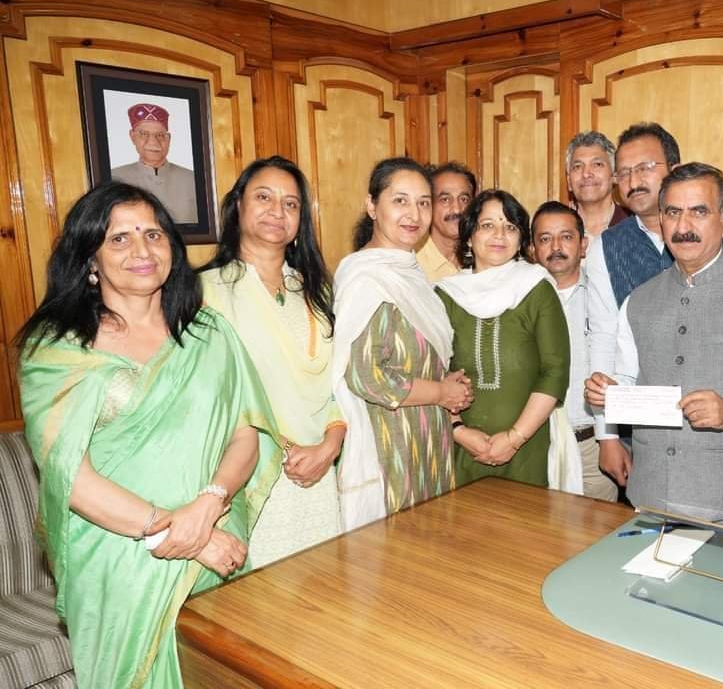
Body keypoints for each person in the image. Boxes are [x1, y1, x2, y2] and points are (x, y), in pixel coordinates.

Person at [17, 182, 280, 687]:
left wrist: (208, 504)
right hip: (121, 554)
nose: (142, 250)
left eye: (153, 234)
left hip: (216, 529)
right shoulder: (57, 350)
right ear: (90, 258)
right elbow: (71, 478)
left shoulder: (208, 333)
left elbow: (245, 433)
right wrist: (178, 534)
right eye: (119, 238)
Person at [585, 163, 723, 529]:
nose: (683, 226)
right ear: (662, 220)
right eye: (673, 212)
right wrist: (607, 393)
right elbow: (627, 379)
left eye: (699, 212)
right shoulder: (637, 301)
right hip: (648, 498)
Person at [586, 122, 723, 486]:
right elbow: (603, 337)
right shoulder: (605, 247)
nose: (634, 181)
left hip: (718, 434)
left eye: (645, 167)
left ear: (675, 169)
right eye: (624, 172)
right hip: (643, 433)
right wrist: (607, 435)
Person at [199, 156, 344, 567]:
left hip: (319, 468)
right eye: (264, 197)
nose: (277, 211)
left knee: (323, 586)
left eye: (290, 203)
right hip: (250, 471)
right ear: (238, 206)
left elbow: (338, 381)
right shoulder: (203, 292)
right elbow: (205, 396)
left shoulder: (316, 290)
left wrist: (330, 445)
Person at [333, 157, 473, 531]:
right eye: (400, 201)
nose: (414, 214)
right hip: (390, 444)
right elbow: (367, 376)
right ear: (371, 206)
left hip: (430, 439)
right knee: (399, 548)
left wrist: (446, 383)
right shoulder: (368, 278)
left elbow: (418, 354)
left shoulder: (409, 273)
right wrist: (441, 391)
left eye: (424, 202)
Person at [436, 189, 573, 488]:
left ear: (521, 239)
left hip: (528, 448)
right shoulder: (445, 295)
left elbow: (555, 371)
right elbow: (433, 373)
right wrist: (458, 430)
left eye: (510, 227)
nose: (499, 235)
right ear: (469, 236)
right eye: (487, 225)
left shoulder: (537, 288)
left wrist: (514, 438)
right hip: (461, 447)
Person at [531, 200, 616, 501]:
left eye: (566, 237)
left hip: (593, 448)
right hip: (536, 444)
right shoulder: (518, 301)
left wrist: (611, 439)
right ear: (532, 249)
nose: (556, 246)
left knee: (600, 530)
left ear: (583, 245)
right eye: (545, 238)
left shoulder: (606, 298)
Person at [111, 102, 199, 223]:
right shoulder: (114, 178)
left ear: (169, 138)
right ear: (132, 136)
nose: (153, 142)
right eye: (144, 134)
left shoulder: (193, 179)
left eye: (160, 135)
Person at [415, 161, 477, 283]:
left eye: (464, 199)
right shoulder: (412, 263)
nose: (457, 209)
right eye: (445, 199)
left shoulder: (483, 255)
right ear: (429, 205)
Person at [564, 130, 630, 238]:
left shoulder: (636, 225)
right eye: (577, 166)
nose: (586, 174)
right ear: (569, 181)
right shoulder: (558, 230)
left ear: (614, 175)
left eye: (597, 164)